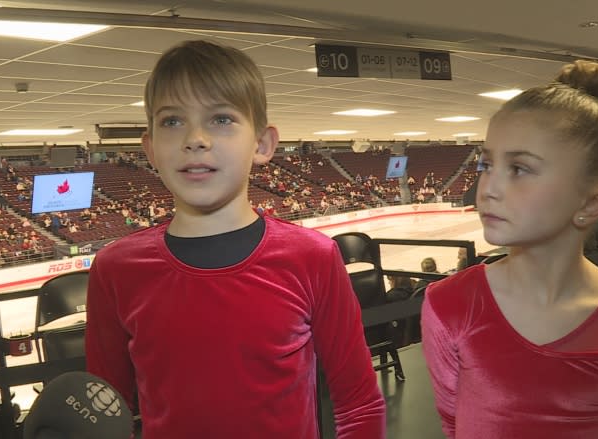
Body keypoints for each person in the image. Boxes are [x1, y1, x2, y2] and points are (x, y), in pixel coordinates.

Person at [84, 40, 385, 438]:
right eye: (172, 121)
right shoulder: (115, 270)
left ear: (262, 145)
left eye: (221, 119)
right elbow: (106, 419)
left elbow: (359, 403)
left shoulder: (312, 257)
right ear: (151, 149)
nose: (195, 138)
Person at [421, 60, 598, 439]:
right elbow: (452, 421)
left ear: (591, 204)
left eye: (520, 168)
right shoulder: (449, 305)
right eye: (487, 164)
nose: (488, 188)